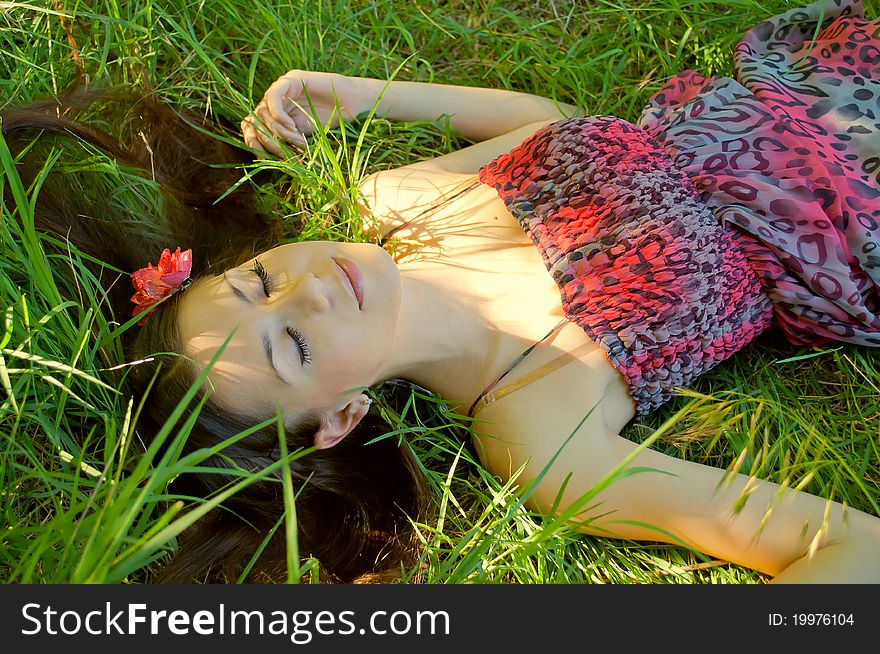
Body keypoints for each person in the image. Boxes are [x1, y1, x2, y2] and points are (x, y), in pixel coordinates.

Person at [5, 0, 879, 583]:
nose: (305, 290)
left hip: (806, 93)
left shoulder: (396, 202)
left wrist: (349, 95)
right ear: (341, 417)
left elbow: (545, 126)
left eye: (260, 279)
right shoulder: (533, 426)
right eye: (292, 346)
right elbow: (840, 544)